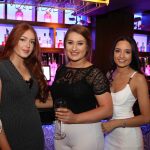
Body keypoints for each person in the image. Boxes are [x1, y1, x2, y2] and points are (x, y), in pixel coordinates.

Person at [50, 24, 113, 150]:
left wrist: (75, 118)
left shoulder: (94, 73)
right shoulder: (61, 69)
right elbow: (54, 99)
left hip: (86, 134)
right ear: (65, 45)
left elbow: (108, 109)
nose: (74, 48)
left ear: (87, 47)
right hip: (60, 132)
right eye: (70, 42)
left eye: (80, 43)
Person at [0, 22, 52, 150]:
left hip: (35, 134)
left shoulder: (32, 68)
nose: (28, 45)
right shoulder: (2, 67)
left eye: (32, 42)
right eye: (23, 39)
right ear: (13, 40)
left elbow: (31, 100)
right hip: (12, 135)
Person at [102, 36, 150, 150]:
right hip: (109, 137)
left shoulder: (138, 79)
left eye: (127, 52)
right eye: (118, 51)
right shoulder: (109, 75)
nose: (121, 56)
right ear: (113, 53)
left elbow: (147, 117)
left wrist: (115, 123)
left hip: (129, 139)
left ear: (132, 55)